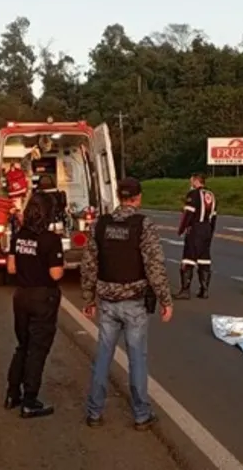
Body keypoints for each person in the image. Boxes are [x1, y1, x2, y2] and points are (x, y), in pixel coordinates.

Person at [81, 177, 174, 430]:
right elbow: (155, 266)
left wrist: (88, 298)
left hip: (108, 302)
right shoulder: (143, 225)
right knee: (137, 359)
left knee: (103, 356)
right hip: (134, 303)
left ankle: (94, 412)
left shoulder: (100, 224)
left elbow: (89, 264)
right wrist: (166, 300)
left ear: (120, 197)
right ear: (138, 197)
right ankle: (142, 414)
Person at [4, 193, 63, 418]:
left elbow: (10, 268)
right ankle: (30, 400)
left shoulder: (19, 236)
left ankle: (12, 393)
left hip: (21, 296)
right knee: (38, 350)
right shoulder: (50, 239)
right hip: (43, 297)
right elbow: (55, 273)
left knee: (23, 345)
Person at [174, 173, 217, 300]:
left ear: (196, 181)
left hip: (195, 229)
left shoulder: (193, 194)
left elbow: (188, 214)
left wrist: (181, 229)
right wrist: (210, 232)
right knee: (204, 258)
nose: (190, 183)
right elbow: (214, 216)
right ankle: (204, 290)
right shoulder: (211, 195)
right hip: (207, 229)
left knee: (188, 258)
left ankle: (185, 290)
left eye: (191, 180)